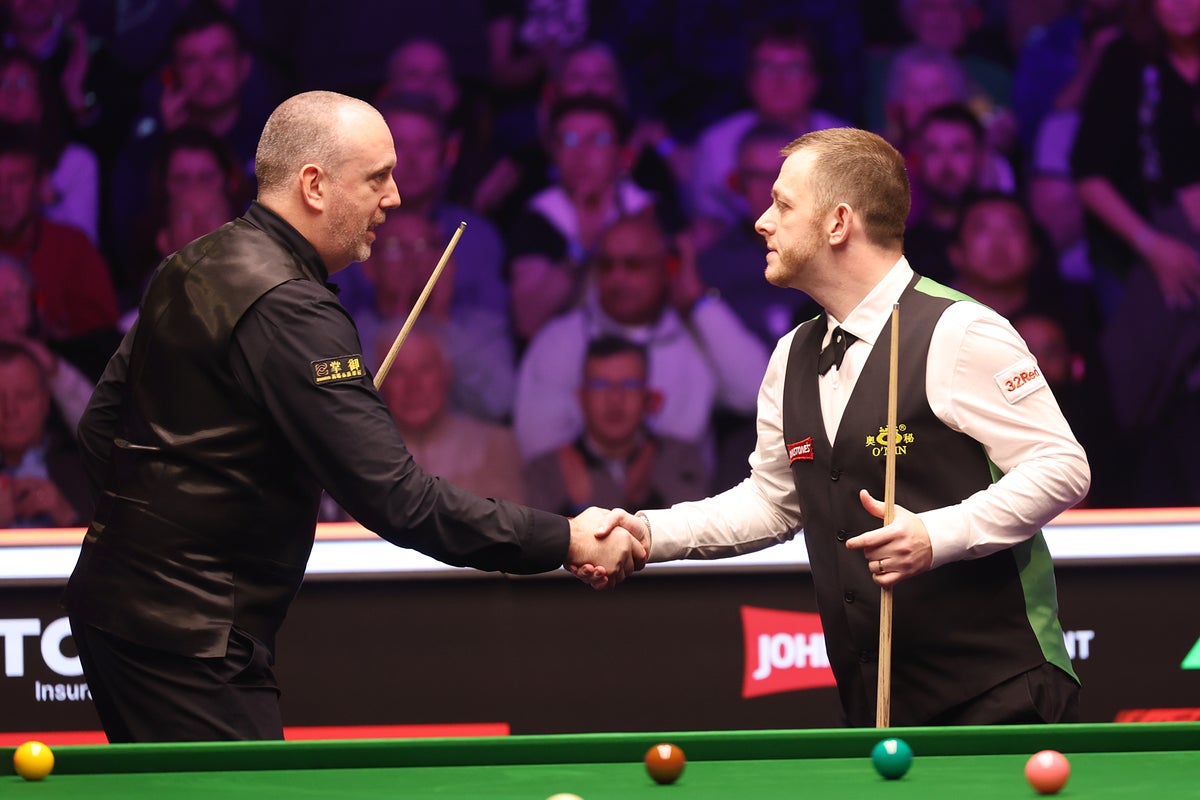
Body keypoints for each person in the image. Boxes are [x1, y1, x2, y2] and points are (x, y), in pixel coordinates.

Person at [62, 90, 645, 744]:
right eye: (377, 178)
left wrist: (164, 532)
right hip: (185, 634)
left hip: (118, 613)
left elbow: (100, 429)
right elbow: (398, 500)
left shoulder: (193, 261)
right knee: (251, 795)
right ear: (313, 185)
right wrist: (563, 539)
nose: (394, 198)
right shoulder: (294, 308)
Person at [585, 128, 1091, 728]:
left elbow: (1062, 467)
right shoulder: (792, 354)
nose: (762, 222)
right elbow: (772, 502)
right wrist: (646, 533)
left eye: (783, 205)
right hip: (879, 707)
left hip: (1000, 692)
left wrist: (936, 534)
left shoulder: (959, 331)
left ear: (838, 223)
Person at [513, 212, 768, 462]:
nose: (617, 278)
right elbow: (540, 448)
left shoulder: (695, 334)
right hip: (584, 489)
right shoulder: (561, 341)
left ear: (667, 268)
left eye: (633, 265)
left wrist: (699, 302)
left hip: (684, 487)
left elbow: (755, 394)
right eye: (606, 265)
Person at [523, 336, 710, 516]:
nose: (615, 398)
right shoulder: (546, 471)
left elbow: (694, 533)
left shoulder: (679, 459)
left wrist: (645, 500)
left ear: (648, 397)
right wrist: (576, 509)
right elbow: (538, 537)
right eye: (600, 384)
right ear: (582, 397)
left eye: (629, 385)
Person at [375, 318, 525, 505]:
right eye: (397, 372)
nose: (413, 387)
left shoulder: (496, 446)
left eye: (425, 369)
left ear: (447, 372)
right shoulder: (363, 456)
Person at [0, 341, 92, 528]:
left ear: (45, 400)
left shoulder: (85, 472)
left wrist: (68, 518)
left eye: (24, 395)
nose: (10, 410)